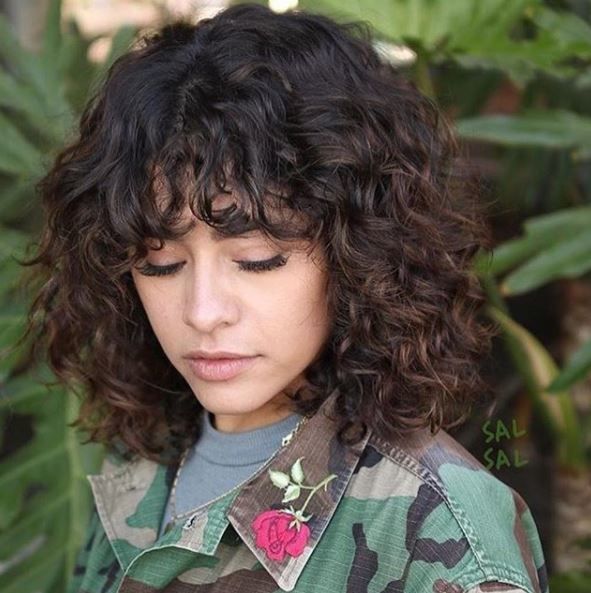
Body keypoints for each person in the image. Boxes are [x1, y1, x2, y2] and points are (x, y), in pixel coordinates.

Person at [23, 3, 548, 592]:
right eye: (160, 263)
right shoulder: (139, 468)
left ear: (359, 255)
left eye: (257, 260)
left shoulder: (443, 535)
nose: (203, 312)